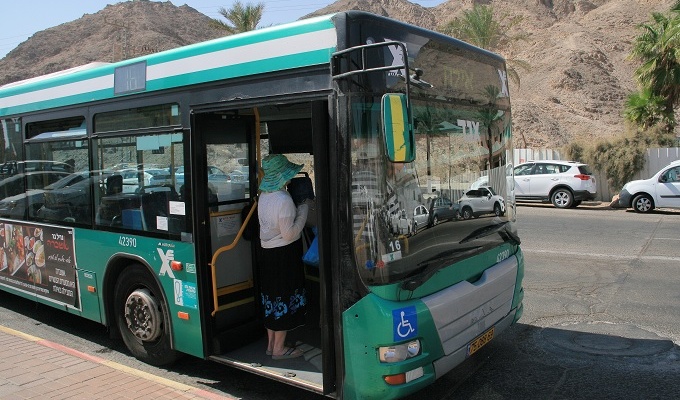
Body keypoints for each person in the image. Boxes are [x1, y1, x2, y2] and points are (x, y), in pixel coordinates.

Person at [258, 154, 309, 360]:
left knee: (272, 300)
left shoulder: (264, 196)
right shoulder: (284, 200)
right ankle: (279, 349)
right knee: (284, 298)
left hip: (267, 254)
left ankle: (271, 345)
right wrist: (303, 211)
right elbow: (289, 234)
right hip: (284, 256)